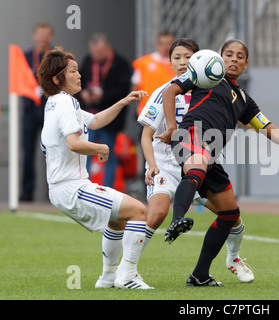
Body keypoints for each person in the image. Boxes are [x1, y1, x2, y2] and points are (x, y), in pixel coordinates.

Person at [158, 39, 279, 286]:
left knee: (230, 213)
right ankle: (177, 219)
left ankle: (199, 275)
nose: (233, 59)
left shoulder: (245, 100)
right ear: (219, 59)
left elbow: (272, 132)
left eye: (239, 57)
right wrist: (171, 127)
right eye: (228, 54)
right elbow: (170, 92)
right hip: (190, 135)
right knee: (197, 165)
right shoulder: (206, 76)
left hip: (211, 154)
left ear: (245, 65)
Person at [138, 39, 254, 283]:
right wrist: (151, 164)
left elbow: (236, 116)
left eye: (188, 57)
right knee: (157, 213)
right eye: (177, 57)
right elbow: (146, 134)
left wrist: (271, 132)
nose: (183, 62)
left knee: (233, 217)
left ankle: (230, 259)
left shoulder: (209, 86)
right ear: (169, 62)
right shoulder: (166, 91)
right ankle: (125, 268)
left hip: (200, 160)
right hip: (167, 165)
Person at [38, 47, 152, 289]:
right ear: (58, 79)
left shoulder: (57, 103)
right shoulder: (65, 103)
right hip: (71, 188)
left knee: (118, 220)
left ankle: (108, 278)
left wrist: (122, 101)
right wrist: (100, 149)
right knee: (139, 211)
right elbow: (73, 143)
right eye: (73, 71)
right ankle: (127, 275)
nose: (80, 75)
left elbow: (96, 120)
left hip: (66, 187)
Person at [78, 33, 133, 188]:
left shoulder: (120, 64)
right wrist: (83, 94)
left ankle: (107, 190)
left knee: (108, 155)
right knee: (85, 156)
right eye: (94, 52)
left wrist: (102, 96)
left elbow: (123, 91)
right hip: (89, 116)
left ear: (108, 48)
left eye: (100, 52)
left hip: (110, 119)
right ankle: (85, 188)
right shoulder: (88, 61)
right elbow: (79, 81)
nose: (96, 55)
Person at [20, 22, 54, 202]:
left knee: (51, 152)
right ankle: (27, 193)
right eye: (40, 34)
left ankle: (53, 194)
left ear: (51, 37)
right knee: (27, 153)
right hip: (29, 109)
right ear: (35, 36)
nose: (42, 38)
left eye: (46, 34)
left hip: (50, 110)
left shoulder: (55, 57)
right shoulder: (26, 57)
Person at [132, 30, 176, 118]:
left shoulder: (179, 64)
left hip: (173, 112)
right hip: (148, 112)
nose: (166, 47)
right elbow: (134, 87)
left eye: (169, 43)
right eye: (162, 44)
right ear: (157, 44)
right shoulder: (144, 63)